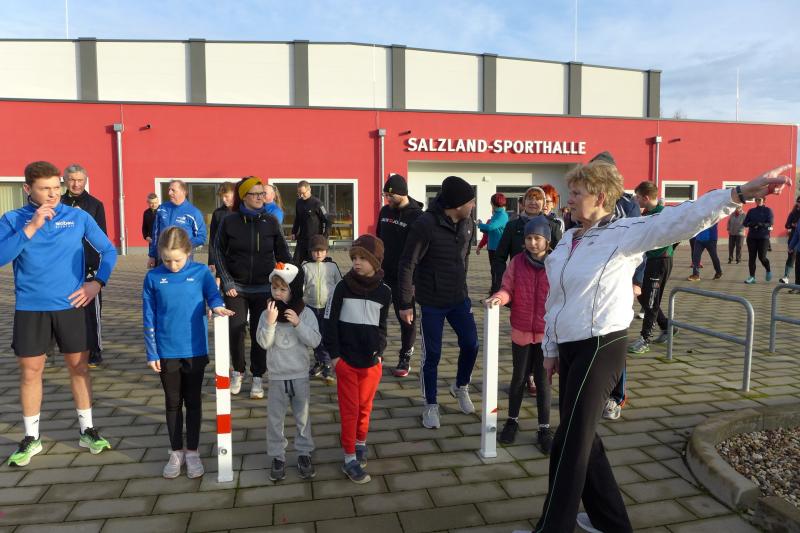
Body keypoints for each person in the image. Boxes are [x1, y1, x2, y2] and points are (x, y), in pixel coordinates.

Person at [521, 162, 791, 533]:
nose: (570, 198)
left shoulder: (625, 232)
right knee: (581, 435)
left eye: (578, 192)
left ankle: (553, 528)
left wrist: (738, 194)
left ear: (600, 196)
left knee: (569, 441)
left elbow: (682, 219)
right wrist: (551, 350)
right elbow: (556, 298)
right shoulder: (568, 239)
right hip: (569, 347)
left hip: (601, 345)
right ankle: (612, 523)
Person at [1, 161, 118, 467]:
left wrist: (96, 283)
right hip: (31, 308)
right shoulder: (13, 219)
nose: (53, 194)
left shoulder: (77, 216)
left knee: (79, 368)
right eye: (45, 189)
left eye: (57, 187)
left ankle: (87, 430)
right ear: (28, 189)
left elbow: (109, 250)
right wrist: (31, 227)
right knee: (31, 372)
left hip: (71, 306)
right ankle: (31, 437)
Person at [143, 226, 232, 479]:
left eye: (178, 260)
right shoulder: (152, 278)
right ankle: (175, 451)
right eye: (167, 260)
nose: (172, 265)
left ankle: (192, 451)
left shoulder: (201, 272)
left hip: (195, 350)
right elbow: (148, 315)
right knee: (173, 403)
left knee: (193, 402)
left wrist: (218, 307)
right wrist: (152, 352)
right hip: (166, 350)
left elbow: (213, 296)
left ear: (189, 252)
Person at [397, 176, 479, 429]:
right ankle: (430, 404)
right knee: (432, 354)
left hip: (459, 298)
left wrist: (463, 286)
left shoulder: (468, 223)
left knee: (472, 344)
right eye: (470, 201)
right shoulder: (425, 224)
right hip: (432, 301)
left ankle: (460, 386)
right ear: (457, 204)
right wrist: (405, 303)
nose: (474, 205)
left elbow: (464, 258)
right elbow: (407, 263)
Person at [213, 177, 292, 398]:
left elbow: (284, 254)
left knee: (261, 332)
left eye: (262, 193)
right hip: (236, 288)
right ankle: (238, 371)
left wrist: (285, 278)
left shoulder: (271, 221)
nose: (260, 197)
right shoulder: (229, 221)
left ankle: (258, 376)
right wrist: (226, 280)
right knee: (235, 330)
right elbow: (217, 251)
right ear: (243, 197)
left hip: (264, 288)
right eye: (255, 194)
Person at [324, 235, 391, 483]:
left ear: (376, 262)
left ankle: (360, 443)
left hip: (371, 364)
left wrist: (379, 354)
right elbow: (329, 323)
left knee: (365, 408)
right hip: (346, 363)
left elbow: (382, 326)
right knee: (350, 411)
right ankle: (349, 458)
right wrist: (335, 358)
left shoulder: (385, 292)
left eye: (363, 258)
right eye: (354, 258)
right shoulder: (341, 288)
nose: (357, 262)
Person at [486, 216, 553, 453]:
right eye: (529, 238)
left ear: (547, 240)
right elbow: (508, 288)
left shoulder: (556, 263)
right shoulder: (517, 262)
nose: (533, 243)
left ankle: (544, 428)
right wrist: (499, 297)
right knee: (518, 378)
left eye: (537, 238)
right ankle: (512, 421)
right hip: (521, 330)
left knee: (543, 382)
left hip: (545, 333)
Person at [256, 262, 320, 482]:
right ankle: (277, 456)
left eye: (283, 289)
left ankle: (304, 453)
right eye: (275, 288)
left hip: (300, 375)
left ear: (294, 291)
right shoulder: (267, 313)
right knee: (275, 420)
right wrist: (270, 323)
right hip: (277, 376)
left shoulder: (305, 312)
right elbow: (264, 343)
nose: (278, 293)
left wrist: (299, 324)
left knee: (303, 417)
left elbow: (315, 341)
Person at [376, 173, 424, 377]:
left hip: (404, 278)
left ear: (402, 193)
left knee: (406, 318)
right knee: (377, 316)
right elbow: (378, 238)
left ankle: (405, 356)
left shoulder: (417, 217)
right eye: (385, 195)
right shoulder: (385, 211)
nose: (387, 199)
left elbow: (421, 252)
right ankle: (378, 353)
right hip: (382, 274)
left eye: (390, 196)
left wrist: (415, 281)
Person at [61, 164, 108, 368]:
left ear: (86, 180)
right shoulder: (58, 203)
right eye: (72, 179)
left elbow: (102, 239)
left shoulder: (95, 205)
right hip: (62, 267)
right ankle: (69, 349)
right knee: (64, 311)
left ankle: (94, 352)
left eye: (80, 180)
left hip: (88, 267)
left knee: (91, 314)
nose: (76, 184)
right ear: (65, 181)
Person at [627, 180, 678, 356]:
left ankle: (645, 339)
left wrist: (667, 249)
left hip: (661, 261)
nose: (635, 200)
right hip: (648, 260)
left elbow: (679, 233)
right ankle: (667, 327)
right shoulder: (646, 213)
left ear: (646, 198)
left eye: (638, 197)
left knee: (651, 301)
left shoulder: (664, 214)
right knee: (643, 296)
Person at [302, 234, 342, 383]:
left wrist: (339, 303)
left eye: (322, 250)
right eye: (315, 251)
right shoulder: (305, 267)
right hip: (311, 307)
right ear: (311, 252)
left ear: (326, 251)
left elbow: (339, 285)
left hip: (328, 307)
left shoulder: (332, 266)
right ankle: (320, 362)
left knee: (325, 336)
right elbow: (301, 287)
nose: (318, 253)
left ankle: (327, 364)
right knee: (314, 336)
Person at [148, 180, 207, 268]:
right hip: (163, 258)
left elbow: (201, 237)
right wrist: (152, 255)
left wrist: (183, 245)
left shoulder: (194, 212)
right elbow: (155, 234)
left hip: (183, 259)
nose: (169, 193)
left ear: (183, 192)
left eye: (173, 190)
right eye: (169, 190)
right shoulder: (162, 208)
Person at [477, 193, 509, 294]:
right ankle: (494, 291)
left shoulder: (502, 215)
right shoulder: (496, 214)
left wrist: (480, 224)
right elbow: (490, 230)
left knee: (497, 272)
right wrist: (482, 226)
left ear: (493, 203)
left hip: (498, 247)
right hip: (492, 247)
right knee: (494, 271)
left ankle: (496, 293)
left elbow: (491, 227)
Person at [291, 180, 328, 265]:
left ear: (309, 189)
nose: (301, 195)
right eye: (299, 193)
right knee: (295, 264)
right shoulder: (298, 203)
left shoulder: (317, 203)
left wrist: (325, 236)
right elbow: (297, 219)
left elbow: (327, 220)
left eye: (303, 193)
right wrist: (294, 232)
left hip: (314, 241)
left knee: (312, 264)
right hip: (302, 240)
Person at [743, 197, 774, 283]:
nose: (757, 201)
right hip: (752, 237)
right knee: (752, 257)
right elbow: (745, 223)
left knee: (762, 257)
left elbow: (770, 223)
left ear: (764, 201)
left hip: (763, 237)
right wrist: (751, 224)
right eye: (756, 200)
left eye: (759, 200)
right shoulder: (751, 211)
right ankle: (752, 277)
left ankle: (768, 270)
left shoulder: (768, 210)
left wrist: (761, 224)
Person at [207, 182, 235, 275]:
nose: (224, 199)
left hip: (240, 259)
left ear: (234, 194)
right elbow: (213, 238)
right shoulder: (218, 213)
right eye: (222, 197)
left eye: (226, 196)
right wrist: (211, 260)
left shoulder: (242, 211)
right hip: (222, 259)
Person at [779, 196, 800, 283]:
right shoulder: (793, 213)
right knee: (791, 257)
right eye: (799, 201)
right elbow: (787, 225)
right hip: (794, 238)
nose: (799, 203)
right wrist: (793, 225)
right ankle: (786, 277)